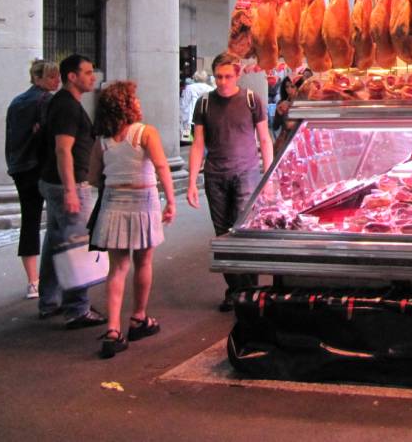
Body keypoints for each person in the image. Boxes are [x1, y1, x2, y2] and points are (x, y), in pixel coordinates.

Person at [87, 81, 176, 359]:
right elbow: (161, 166)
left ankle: (113, 329)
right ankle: (138, 317)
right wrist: (171, 201)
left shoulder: (102, 142)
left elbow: (92, 178)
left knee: (117, 269)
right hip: (143, 201)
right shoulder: (145, 133)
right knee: (144, 262)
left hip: (113, 204)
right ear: (128, 104)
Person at [187, 52, 273, 311]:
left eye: (227, 77)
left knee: (244, 232)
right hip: (215, 176)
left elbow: (265, 139)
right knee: (223, 234)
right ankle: (236, 289)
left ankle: (249, 289)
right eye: (218, 77)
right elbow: (198, 144)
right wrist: (192, 181)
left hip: (246, 174)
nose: (222, 82)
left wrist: (268, 177)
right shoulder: (203, 104)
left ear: (237, 76)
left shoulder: (250, 100)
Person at [37, 54, 107, 329]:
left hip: (56, 182)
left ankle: (49, 300)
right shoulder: (66, 106)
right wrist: (70, 190)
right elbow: (63, 149)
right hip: (68, 184)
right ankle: (77, 308)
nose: (93, 77)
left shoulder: (65, 103)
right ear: (72, 77)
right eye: (88, 72)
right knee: (77, 244)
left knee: (57, 241)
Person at [5, 59, 60, 299]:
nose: (56, 81)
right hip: (41, 167)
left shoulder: (16, 102)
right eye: (51, 77)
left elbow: (10, 137)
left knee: (29, 221)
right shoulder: (47, 100)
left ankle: (32, 280)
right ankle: (59, 276)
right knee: (58, 221)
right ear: (39, 79)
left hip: (20, 167)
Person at [178, 70, 212, 143]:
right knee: (203, 140)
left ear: (195, 77)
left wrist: (180, 115)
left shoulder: (189, 88)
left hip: (190, 119)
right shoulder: (210, 88)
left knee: (187, 141)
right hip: (205, 118)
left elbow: (184, 104)